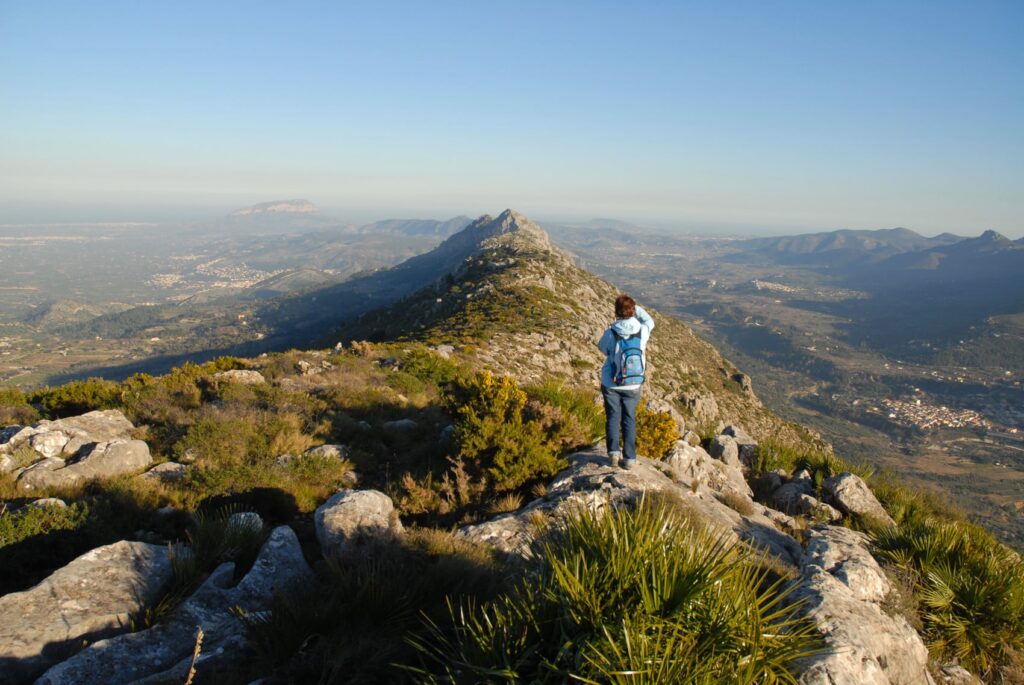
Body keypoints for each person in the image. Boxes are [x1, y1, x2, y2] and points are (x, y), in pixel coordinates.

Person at [597, 294, 654, 469]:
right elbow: (650, 321)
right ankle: (629, 459)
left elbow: (602, 348)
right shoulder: (642, 330)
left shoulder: (611, 332)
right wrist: (637, 309)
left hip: (611, 382)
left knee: (613, 417)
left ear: (616, 312)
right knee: (629, 419)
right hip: (634, 383)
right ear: (633, 311)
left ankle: (613, 454)